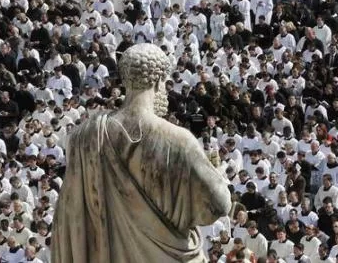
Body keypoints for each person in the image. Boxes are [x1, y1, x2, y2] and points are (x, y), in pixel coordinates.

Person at [52, 43, 232, 262]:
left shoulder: (85, 137)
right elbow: (220, 203)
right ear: (158, 81)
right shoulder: (178, 140)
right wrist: (219, 175)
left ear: (126, 81)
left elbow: (70, 219)